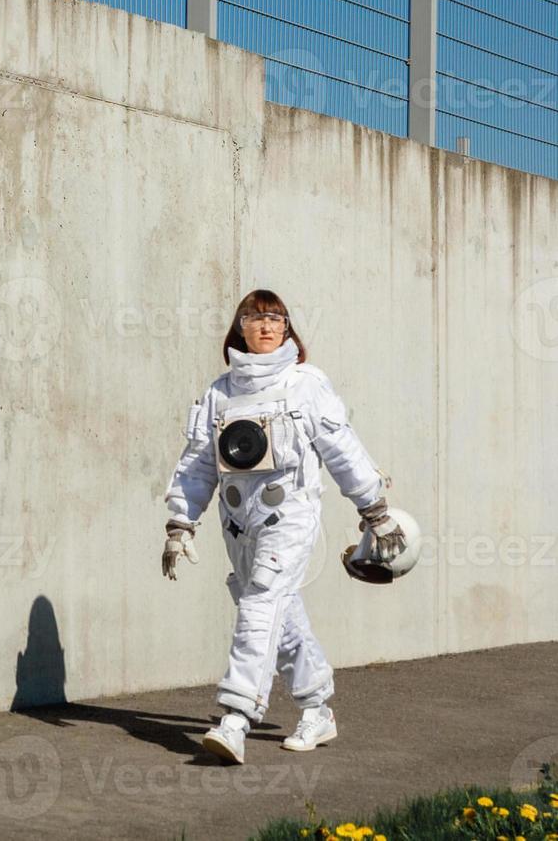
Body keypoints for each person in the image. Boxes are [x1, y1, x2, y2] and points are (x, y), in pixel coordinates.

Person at [160, 289, 406, 764]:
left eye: (277, 318)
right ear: (240, 329)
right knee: (279, 608)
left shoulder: (306, 383)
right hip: (236, 523)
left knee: (260, 602)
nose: (267, 325)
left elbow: (341, 448)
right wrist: (180, 523)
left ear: (289, 328)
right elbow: (197, 465)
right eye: (255, 317)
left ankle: (235, 717)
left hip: (290, 515)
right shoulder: (219, 392)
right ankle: (317, 708)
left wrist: (374, 510)